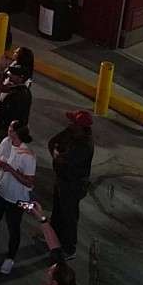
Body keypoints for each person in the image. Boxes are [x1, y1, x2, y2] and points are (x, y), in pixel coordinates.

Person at [0, 119, 37, 274]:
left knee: (13, 228)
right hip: (0, 191)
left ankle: (10, 257)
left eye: (10, 127)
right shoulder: (6, 142)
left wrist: (11, 170)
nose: (8, 129)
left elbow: (29, 183)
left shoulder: (28, 155)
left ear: (16, 132)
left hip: (16, 198)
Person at [43, 110, 94, 266]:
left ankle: (69, 249)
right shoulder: (70, 132)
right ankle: (53, 238)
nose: (70, 123)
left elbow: (61, 158)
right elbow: (52, 143)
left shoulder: (85, 145)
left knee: (69, 217)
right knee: (58, 211)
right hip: (62, 179)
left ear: (81, 126)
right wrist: (57, 153)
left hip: (73, 185)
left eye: (73, 121)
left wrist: (57, 153)